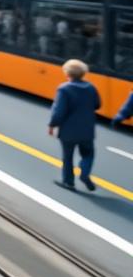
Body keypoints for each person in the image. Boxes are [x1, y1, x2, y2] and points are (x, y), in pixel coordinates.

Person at [48, 59, 101, 191]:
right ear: (84, 73)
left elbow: (59, 112)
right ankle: (84, 174)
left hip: (68, 131)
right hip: (87, 130)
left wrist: (52, 125)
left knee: (68, 157)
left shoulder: (64, 89)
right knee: (88, 154)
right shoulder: (91, 87)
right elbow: (98, 105)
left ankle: (68, 182)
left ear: (67, 73)